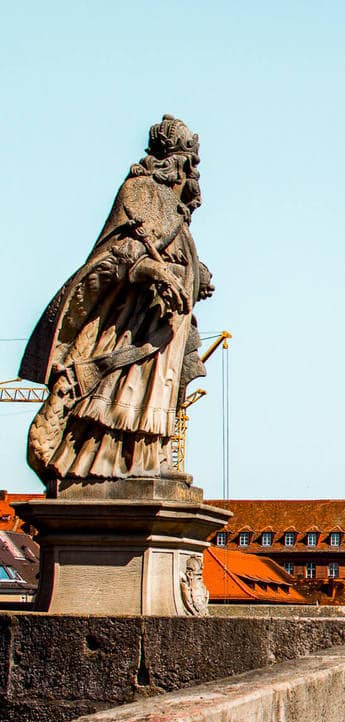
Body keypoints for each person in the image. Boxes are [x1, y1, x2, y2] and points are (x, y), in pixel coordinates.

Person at [21, 116, 214, 490]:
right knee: (121, 390)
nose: (191, 174)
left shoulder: (175, 211)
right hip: (130, 322)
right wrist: (155, 273)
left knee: (157, 391)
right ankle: (107, 459)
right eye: (188, 164)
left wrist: (196, 275)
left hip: (165, 325)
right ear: (174, 161)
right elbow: (117, 254)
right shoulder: (139, 191)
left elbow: (176, 253)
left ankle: (148, 456)